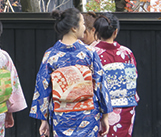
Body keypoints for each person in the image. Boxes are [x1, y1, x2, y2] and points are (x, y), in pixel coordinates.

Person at [29, 8, 113, 137]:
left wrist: (43, 119)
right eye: (82, 23)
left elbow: (42, 87)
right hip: (88, 115)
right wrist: (105, 115)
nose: (84, 27)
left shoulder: (51, 55)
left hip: (61, 117)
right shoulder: (89, 53)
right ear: (74, 27)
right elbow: (100, 83)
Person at [93, 13, 138, 137]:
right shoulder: (127, 52)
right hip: (125, 106)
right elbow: (134, 79)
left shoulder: (91, 53)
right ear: (116, 31)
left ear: (96, 32)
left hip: (101, 107)